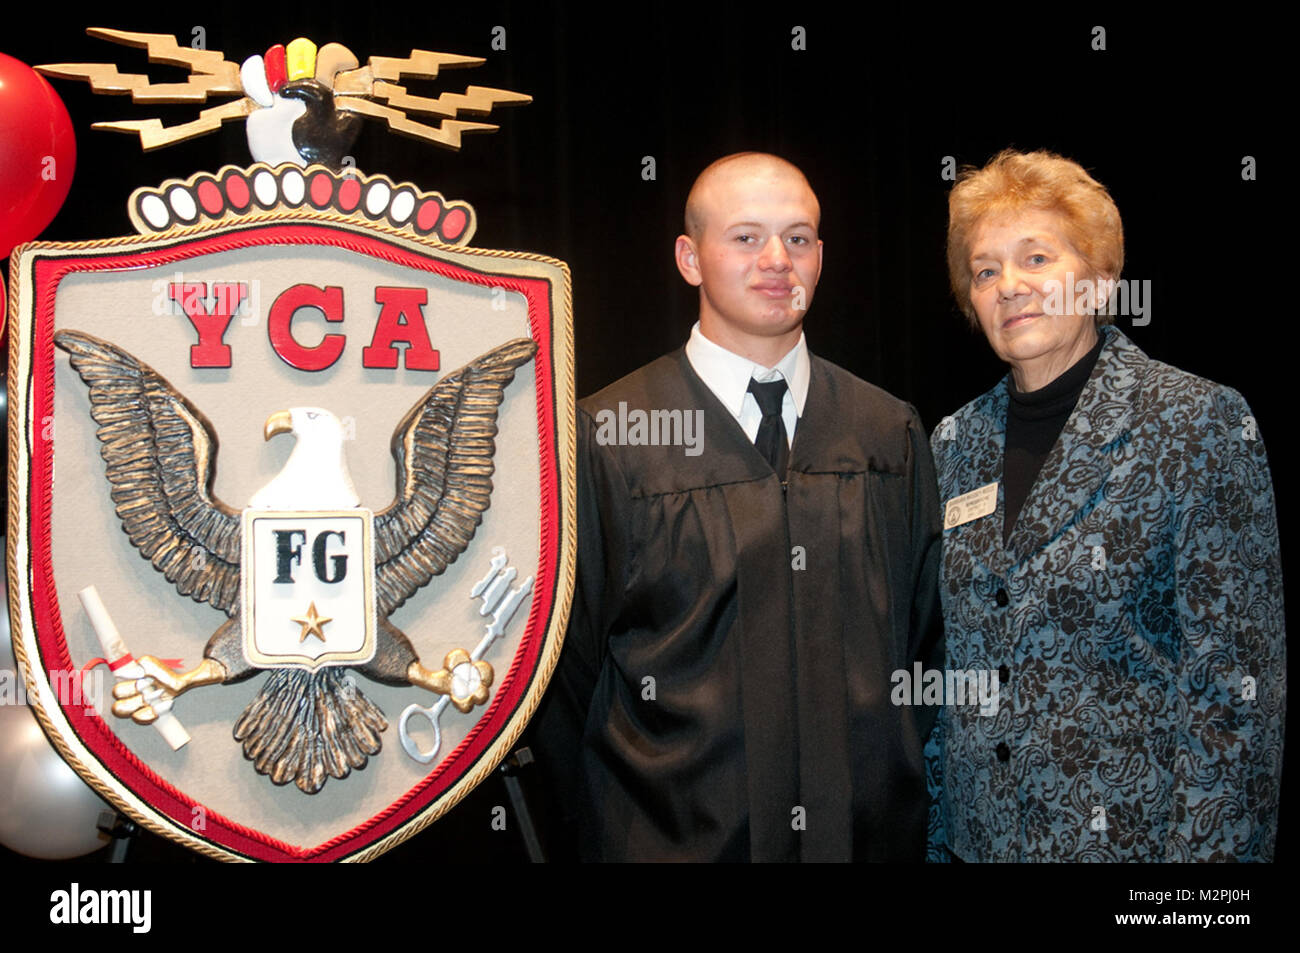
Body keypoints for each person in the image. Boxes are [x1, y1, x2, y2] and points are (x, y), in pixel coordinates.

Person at [533, 152, 943, 861]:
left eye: (799, 237)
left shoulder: (887, 433)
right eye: (746, 237)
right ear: (690, 259)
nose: (777, 260)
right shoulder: (611, 436)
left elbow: (919, 644)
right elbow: (561, 684)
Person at [926, 149, 1286, 861]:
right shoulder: (950, 443)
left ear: (1098, 278)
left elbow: (1235, 700)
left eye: (1036, 258)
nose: (1009, 286)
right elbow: (947, 675)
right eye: (986, 269)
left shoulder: (1195, 421)